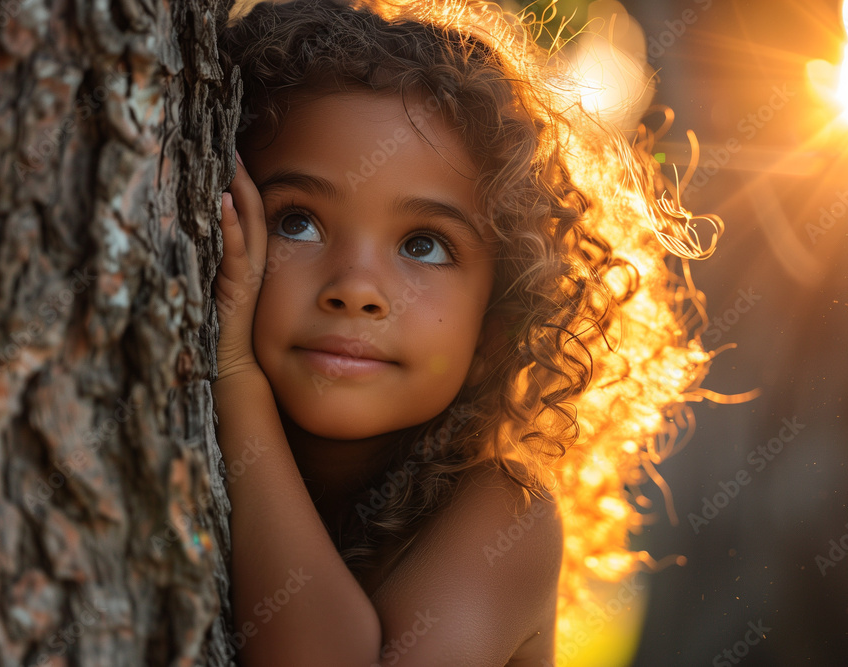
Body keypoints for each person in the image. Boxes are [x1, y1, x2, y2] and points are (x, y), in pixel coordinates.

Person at [212, 0, 719, 664]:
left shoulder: (505, 515)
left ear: (498, 322)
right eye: (297, 222)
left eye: (423, 244)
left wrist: (235, 380)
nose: (357, 288)